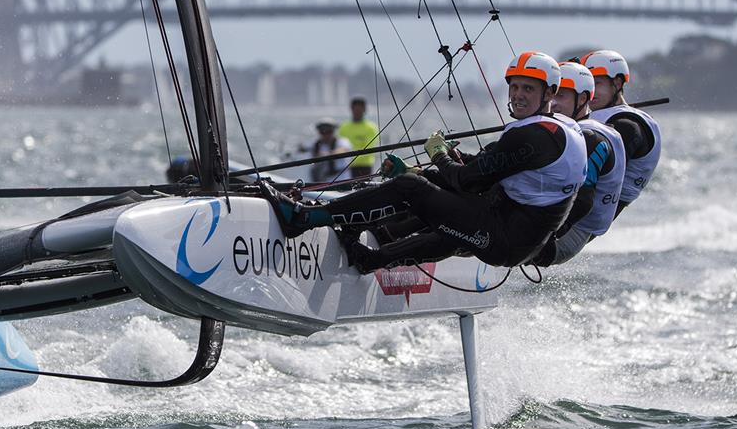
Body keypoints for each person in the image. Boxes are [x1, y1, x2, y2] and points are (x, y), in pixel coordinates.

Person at [261, 52, 588, 272]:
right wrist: (443, 163)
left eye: (528, 89)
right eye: (514, 86)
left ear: (549, 93)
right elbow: (489, 171)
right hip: (511, 230)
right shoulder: (563, 129)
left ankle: (303, 220)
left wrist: (438, 152)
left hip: (501, 241)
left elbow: (467, 181)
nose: (517, 95)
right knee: (430, 179)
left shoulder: (534, 136)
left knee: (411, 186)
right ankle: (364, 238)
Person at [533, 61, 626, 266]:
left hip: (567, 235)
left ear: (582, 99)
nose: (553, 103)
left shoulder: (592, 138)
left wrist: (544, 236)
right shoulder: (566, 130)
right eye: (551, 95)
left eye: (561, 96)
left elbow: (582, 201)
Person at [582, 50, 662, 218]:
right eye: (587, 85)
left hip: (586, 219)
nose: (590, 91)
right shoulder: (609, 118)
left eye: (597, 84)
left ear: (617, 84)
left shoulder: (628, 126)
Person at [338, 97, 379, 178]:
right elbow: (339, 146)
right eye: (355, 109)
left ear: (364, 110)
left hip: (364, 167)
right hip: (346, 168)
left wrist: (349, 157)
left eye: (360, 109)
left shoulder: (371, 128)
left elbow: (369, 149)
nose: (357, 112)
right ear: (351, 109)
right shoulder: (343, 127)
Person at [310, 118, 353, 183]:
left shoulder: (342, 141)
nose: (326, 135)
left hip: (342, 179)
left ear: (333, 131)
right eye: (323, 132)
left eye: (329, 131)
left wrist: (327, 155)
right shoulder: (316, 145)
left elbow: (343, 150)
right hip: (323, 181)